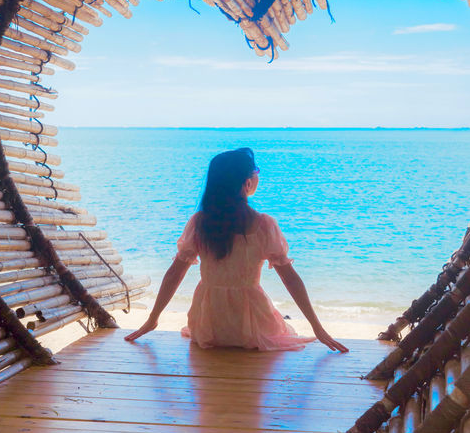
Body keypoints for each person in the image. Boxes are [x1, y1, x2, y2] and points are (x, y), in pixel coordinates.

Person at [125, 147, 349, 353]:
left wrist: (153, 319)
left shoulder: (200, 223)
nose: (258, 175)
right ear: (246, 183)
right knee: (283, 331)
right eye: (256, 171)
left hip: (208, 327)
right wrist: (317, 327)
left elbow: (175, 274)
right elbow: (290, 279)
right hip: (252, 327)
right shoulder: (263, 225)